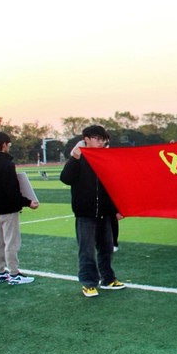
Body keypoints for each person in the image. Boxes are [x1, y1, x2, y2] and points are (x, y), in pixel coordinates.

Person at [60, 125, 126, 298]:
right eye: (97, 138)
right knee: (87, 251)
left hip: (105, 213)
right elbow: (65, 178)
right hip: (85, 213)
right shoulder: (78, 157)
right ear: (86, 139)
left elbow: (112, 186)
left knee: (107, 249)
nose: (100, 142)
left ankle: (108, 279)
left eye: (103, 139)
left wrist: (116, 209)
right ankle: (89, 283)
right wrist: (75, 158)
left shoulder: (105, 159)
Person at [0, 131, 39, 285]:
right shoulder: (7, 164)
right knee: (11, 242)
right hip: (7, 208)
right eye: (8, 144)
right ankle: (14, 273)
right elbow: (12, 190)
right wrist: (28, 202)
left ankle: (0, 272)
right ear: (4, 145)